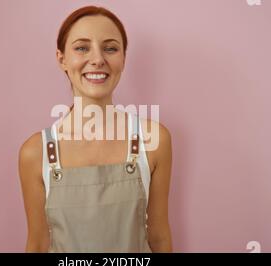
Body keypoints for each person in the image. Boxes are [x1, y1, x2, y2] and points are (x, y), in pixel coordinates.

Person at [19, 5, 172, 252]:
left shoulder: (154, 140)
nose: (98, 59)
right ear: (62, 59)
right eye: (81, 48)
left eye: (110, 48)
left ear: (123, 58)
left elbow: (159, 237)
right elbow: (37, 243)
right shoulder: (35, 152)